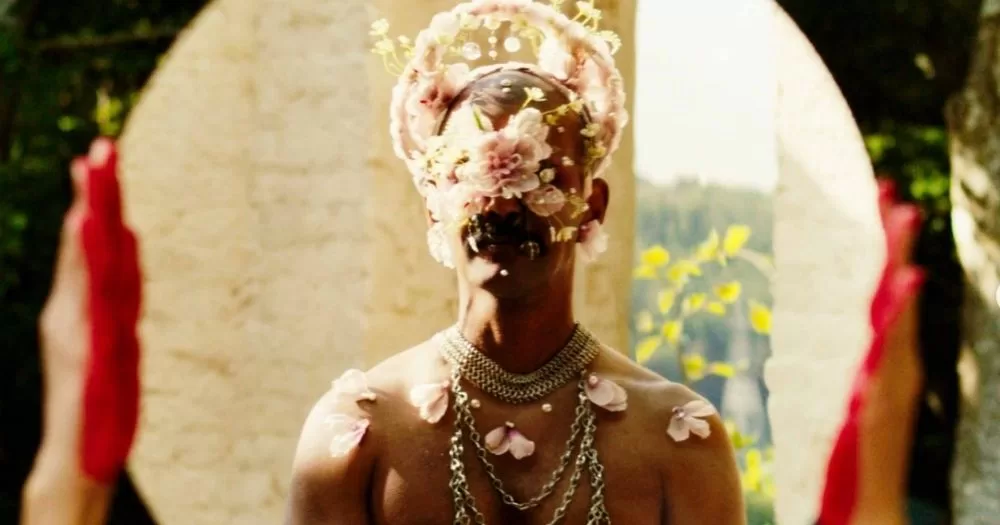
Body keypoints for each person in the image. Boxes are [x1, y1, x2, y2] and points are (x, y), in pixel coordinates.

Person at [21, 2, 927, 524]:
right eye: (471, 173)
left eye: (540, 172)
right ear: (432, 204)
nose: (501, 198)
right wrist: (69, 457)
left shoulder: (677, 441)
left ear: (592, 204)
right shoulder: (355, 433)